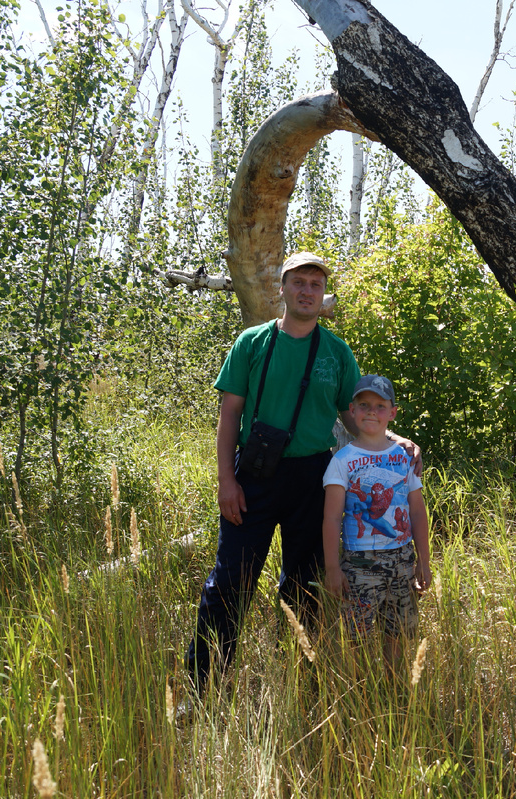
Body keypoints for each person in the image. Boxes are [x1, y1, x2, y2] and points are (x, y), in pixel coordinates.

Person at [185, 252, 418, 696]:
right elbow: (229, 414)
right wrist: (226, 482)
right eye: (299, 282)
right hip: (253, 475)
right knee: (231, 581)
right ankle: (202, 688)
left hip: (315, 478)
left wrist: (395, 442)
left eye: (315, 283)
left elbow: (356, 418)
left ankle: (302, 683)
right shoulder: (253, 343)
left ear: (321, 293)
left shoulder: (335, 351)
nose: (307, 291)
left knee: (306, 585)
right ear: (283, 289)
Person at [322, 374, 431, 676]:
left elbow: (417, 510)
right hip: (359, 564)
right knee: (358, 636)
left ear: (393, 413)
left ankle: (393, 689)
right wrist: (333, 568)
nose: (372, 411)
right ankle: (362, 692)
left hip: (402, 559)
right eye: (364, 405)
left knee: (397, 634)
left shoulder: (403, 457)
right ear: (352, 411)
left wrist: (423, 559)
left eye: (380, 406)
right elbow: (331, 518)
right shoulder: (342, 461)